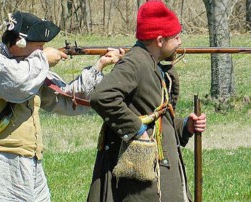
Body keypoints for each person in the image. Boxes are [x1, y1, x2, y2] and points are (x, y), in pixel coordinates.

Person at [0, 11, 124, 201]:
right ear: (20, 42)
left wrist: (99, 65)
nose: (42, 50)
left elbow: (67, 100)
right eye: (39, 46)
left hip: (32, 165)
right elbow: (17, 84)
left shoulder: (30, 68)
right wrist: (43, 60)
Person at [87, 1, 207, 201]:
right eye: (176, 37)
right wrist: (136, 130)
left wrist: (186, 126)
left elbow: (157, 119)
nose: (179, 42)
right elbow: (102, 96)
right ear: (160, 40)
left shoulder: (154, 64)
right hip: (142, 184)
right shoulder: (135, 62)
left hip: (162, 171)